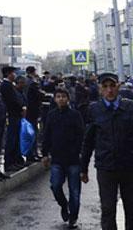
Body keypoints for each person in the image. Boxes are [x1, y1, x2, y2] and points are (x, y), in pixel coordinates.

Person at [80, 72, 133, 230]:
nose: (109, 90)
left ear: (118, 86)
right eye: (105, 87)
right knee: (108, 210)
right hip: (106, 168)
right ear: (100, 89)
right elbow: (88, 141)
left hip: (130, 167)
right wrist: (83, 168)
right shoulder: (95, 110)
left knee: (132, 211)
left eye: (112, 86)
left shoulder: (131, 107)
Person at [42, 88, 84, 229]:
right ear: (55, 99)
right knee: (55, 185)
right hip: (57, 159)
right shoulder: (52, 115)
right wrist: (44, 154)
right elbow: (46, 135)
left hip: (73, 159)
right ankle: (63, 205)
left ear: (68, 99)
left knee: (75, 192)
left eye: (63, 96)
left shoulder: (75, 115)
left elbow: (81, 135)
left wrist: (80, 153)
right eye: (58, 96)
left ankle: (73, 217)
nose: (61, 99)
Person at [0, 66, 26, 171]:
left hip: (16, 115)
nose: (14, 75)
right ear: (8, 74)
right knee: (11, 140)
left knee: (15, 139)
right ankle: (9, 163)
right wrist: (21, 107)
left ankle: (15, 161)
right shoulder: (6, 86)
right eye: (12, 73)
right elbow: (12, 101)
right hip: (12, 115)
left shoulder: (10, 85)